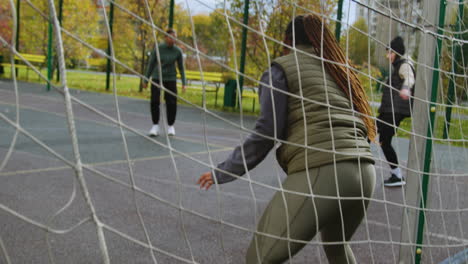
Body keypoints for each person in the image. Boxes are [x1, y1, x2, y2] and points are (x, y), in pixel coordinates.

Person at [197, 14, 376, 264]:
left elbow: (267, 132)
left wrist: (224, 171)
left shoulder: (281, 68)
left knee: (259, 257)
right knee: (337, 249)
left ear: (286, 39)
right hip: (365, 172)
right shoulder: (337, 68)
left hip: (325, 169)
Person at [378, 36, 415, 187]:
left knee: (379, 137)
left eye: (390, 53)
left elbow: (410, 78)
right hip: (389, 110)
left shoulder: (404, 65)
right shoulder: (398, 64)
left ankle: (397, 175)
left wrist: (406, 88)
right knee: (379, 136)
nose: (388, 56)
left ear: (397, 52)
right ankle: (396, 174)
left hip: (395, 110)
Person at [142, 29, 186, 137]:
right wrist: (146, 79)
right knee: (155, 101)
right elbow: (151, 64)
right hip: (158, 77)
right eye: (171, 37)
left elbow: (181, 68)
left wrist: (184, 83)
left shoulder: (178, 51)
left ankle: (171, 126)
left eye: (175, 37)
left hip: (171, 79)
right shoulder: (158, 48)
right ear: (166, 38)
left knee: (171, 102)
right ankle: (155, 126)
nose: (173, 39)